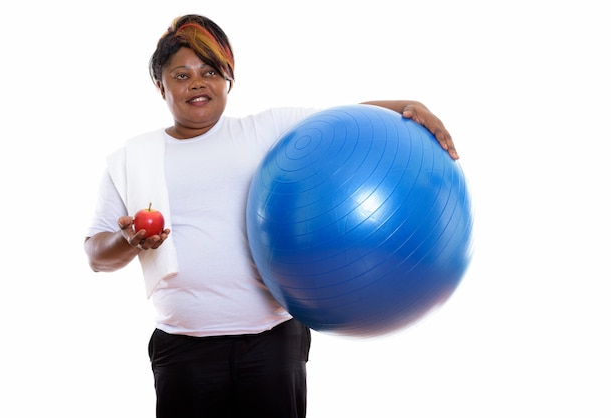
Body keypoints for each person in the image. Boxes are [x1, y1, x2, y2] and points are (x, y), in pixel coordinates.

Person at [84, 14, 459, 418]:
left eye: (210, 70)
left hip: (273, 342)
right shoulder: (131, 160)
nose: (197, 82)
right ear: (161, 86)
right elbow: (95, 255)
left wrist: (407, 106)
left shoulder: (268, 131)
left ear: (227, 79)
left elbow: (345, 125)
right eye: (181, 74)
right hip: (183, 347)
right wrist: (128, 241)